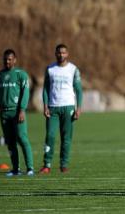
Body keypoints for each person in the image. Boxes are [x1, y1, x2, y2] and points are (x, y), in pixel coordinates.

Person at [39, 44, 83, 174]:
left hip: (68, 106)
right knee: (50, 136)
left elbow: (79, 90)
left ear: (67, 54)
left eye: (63, 53)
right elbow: (45, 89)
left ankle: (64, 165)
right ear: (55, 54)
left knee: (66, 138)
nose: (61, 55)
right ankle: (47, 164)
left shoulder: (73, 69)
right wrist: (45, 105)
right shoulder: (50, 69)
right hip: (53, 108)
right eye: (59, 53)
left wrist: (78, 108)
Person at [0, 49, 34, 176]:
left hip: (17, 112)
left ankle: (30, 168)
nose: (7, 61)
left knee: (22, 138)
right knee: (10, 141)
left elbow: (25, 94)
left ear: (14, 60)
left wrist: (22, 110)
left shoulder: (21, 74)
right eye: (5, 59)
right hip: (5, 113)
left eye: (9, 59)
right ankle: (16, 169)